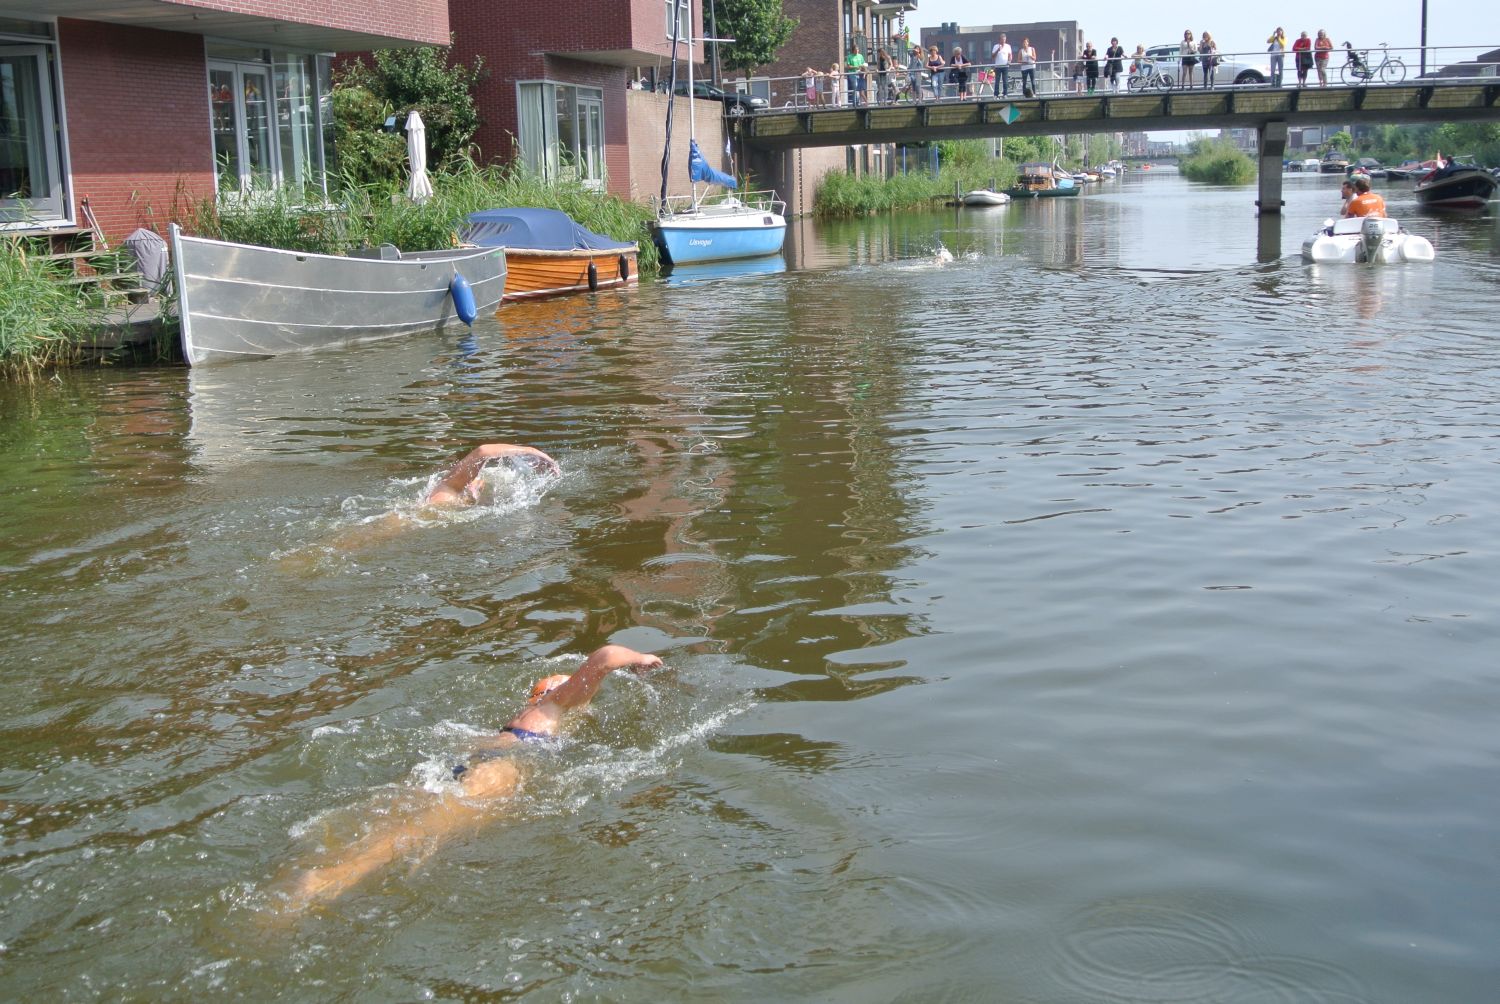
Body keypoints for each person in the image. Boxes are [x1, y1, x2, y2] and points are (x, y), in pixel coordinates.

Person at [284, 645, 665, 908]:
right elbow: (606, 657)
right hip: (499, 772)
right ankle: (335, 877)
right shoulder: (558, 702)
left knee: (398, 810)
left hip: (473, 760)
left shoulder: (522, 717)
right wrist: (641, 658)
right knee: (423, 830)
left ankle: (325, 863)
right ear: (552, 690)